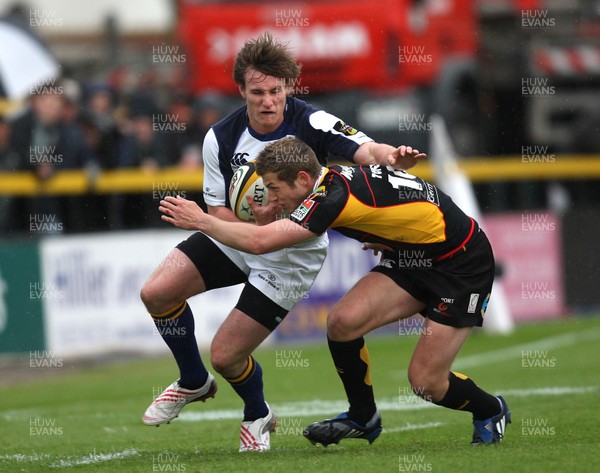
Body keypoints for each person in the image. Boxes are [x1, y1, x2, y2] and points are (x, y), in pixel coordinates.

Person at [139, 32, 425, 452]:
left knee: (226, 355)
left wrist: (391, 158)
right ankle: (192, 381)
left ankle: (257, 414)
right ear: (242, 91)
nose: (268, 100)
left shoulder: (311, 122)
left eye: (276, 91)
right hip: (237, 236)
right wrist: (248, 221)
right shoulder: (220, 138)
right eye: (258, 92)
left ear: (288, 88)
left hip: (291, 253)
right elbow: (219, 213)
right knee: (156, 292)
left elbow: (366, 149)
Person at [158, 136, 511, 447]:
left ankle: (491, 409)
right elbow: (399, 200)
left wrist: (201, 220)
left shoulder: (330, 197)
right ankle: (363, 418)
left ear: (302, 178)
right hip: (412, 257)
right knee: (342, 322)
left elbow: (260, 243)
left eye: (275, 190)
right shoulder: (330, 181)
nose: (273, 199)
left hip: (462, 264)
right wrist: (394, 234)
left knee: (425, 383)